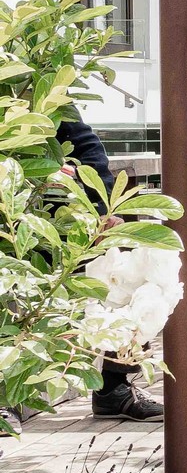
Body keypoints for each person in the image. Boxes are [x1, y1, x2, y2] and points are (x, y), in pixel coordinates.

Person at [48, 114, 159, 422]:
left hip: (54, 206)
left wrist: (100, 210)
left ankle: (114, 386)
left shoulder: (41, 87)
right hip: (18, 206)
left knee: (130, 264)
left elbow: (86, 146)